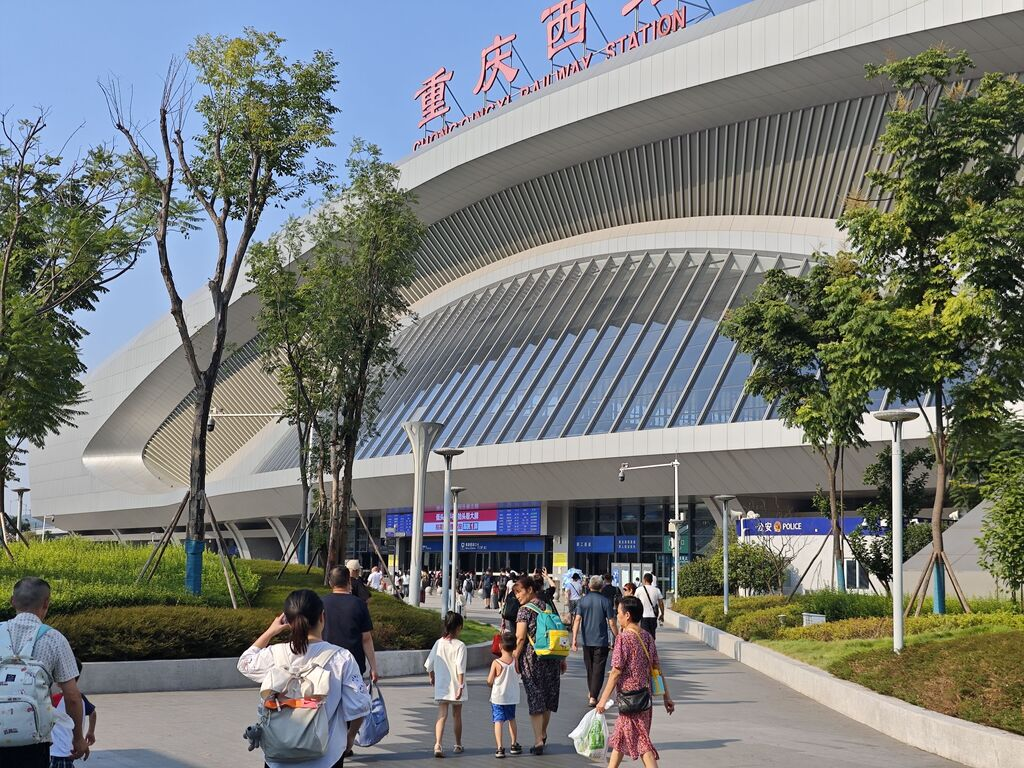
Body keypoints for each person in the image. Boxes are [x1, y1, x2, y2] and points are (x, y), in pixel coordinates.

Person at [238, 589, 371, 768]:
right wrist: (350, 736)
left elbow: (245, 663)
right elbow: (358, 706)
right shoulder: (341, 658)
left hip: (278, 756)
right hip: (327, 756)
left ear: (289, 621)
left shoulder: (275, 654)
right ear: (322, 617)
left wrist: (271, 631)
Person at [1, 577, 87, 768]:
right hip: (33, 740)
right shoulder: (54, 638)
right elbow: (72, 696)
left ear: (12, 601)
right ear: (47, 603)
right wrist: (78, 738)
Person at [596, 596, 675, 768]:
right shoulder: (647, 637)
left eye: (619, 613)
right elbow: (657, 669)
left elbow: (616, 671)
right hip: (644, 698)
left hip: (629, 699)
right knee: (621, 737)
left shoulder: (623, 639)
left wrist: (602, 700)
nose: (617, 616)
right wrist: (666, 696)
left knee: (642, 741)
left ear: (628, 615)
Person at [512, 574, 566, 756]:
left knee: (536, 698)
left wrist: (515, 657)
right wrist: (562, 658)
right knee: (548, 698)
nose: (517, 596)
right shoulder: (548, 605)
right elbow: (558, 631)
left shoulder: (524, 610)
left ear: (529, 590)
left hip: (532, 659)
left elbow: (520, 637)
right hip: (552, 657)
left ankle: (538, 741)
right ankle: (542, 733)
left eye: (519, 592)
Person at [322, 567, 379, 684]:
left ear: (330, 582)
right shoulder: (359, 604)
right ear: (349, 581)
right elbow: (366, 638)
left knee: (328, 701)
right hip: (354, 665)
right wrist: (373, 667)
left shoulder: (320, 603)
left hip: (326, 663)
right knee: (352, 701)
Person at [426, 611, 467, 758]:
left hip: (442, 685)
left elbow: (429, 663)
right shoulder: (460, 645)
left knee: (442, 714)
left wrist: (432, 677)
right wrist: (461, 686)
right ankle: (458, 744)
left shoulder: (439, 643)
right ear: (458, 627)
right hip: (456, 685)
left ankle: (438, 744)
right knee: (457, 715)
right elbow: (460, 668)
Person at [572, 575, 618, 707]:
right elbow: (612, 623)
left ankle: (592, 692)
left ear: (589, 586)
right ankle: (593, 695)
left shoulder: (583, 601)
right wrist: (618, 636)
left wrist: (574, 639)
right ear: (602, 586)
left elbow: (577, 620)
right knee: (598, 669)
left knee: (590, 668)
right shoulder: (605, 601)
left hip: (587, 640)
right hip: (601, 640)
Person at [48, 658, 97, 768]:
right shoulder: (81, 698)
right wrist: (90, 732)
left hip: (57, 751)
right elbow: (93, 713)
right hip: (70, 749)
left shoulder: (55, 699)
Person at [487, 631, 523, 759]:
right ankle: (513, 744)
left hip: (498, 697)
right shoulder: (515, 661)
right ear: (514, 647)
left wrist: (490, 684)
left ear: (500, 646)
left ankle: (500, 748)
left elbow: (490, 680)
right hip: (511, 696)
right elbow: (519, 673)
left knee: (498, 721)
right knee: (511, 719)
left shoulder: (496, 663)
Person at [636, 573, 665, 639]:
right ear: (652, 581)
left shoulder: (639, 590)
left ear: (644, 580)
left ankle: (647, 649)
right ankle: (652, 648)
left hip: (643, 616)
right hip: (653, 616)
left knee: (644, 636)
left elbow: (635, 602)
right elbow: (661, 603)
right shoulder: (657, 590)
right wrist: (662, 614)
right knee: (652, 635)